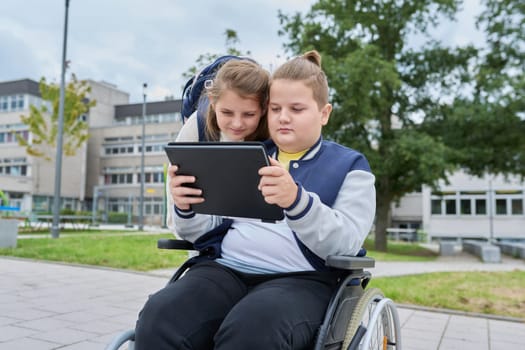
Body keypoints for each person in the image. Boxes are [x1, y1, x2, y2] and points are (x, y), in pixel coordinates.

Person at [135, 50, 376, 349]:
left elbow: (347, 243)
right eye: (275, 108)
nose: (284, 117)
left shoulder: (351, 167)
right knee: (160, 315)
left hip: (302, 280)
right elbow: (203, 233)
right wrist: (186, 207)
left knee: (253, 327)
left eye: (297, 109)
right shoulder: (246, 154)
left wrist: (297, 202)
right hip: (224, 270)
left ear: (324, 113)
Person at [166, 58, 270, 229]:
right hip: (203, 236)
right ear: (213, 103)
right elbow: (173, 214)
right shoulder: (196, 126)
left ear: (264, 109)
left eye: (249, 114)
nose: (237, 123)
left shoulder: (274, 131)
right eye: (227, 112)